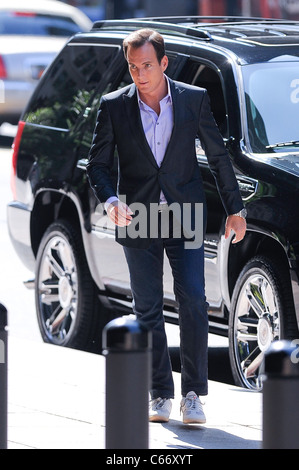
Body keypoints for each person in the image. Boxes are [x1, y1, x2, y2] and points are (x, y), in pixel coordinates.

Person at [87, 28, 246, 424]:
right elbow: (98, 165)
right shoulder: (114, 106)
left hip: (185, 211)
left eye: (146, 66)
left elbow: (218, 155)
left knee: (193, 298)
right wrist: (109, 201)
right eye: (132, 67)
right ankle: (160, 393)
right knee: (148, 307)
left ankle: (193, 394)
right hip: (138, 214)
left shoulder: (193, 100)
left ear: (163, 63)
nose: (139, 74)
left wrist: (234, 207)